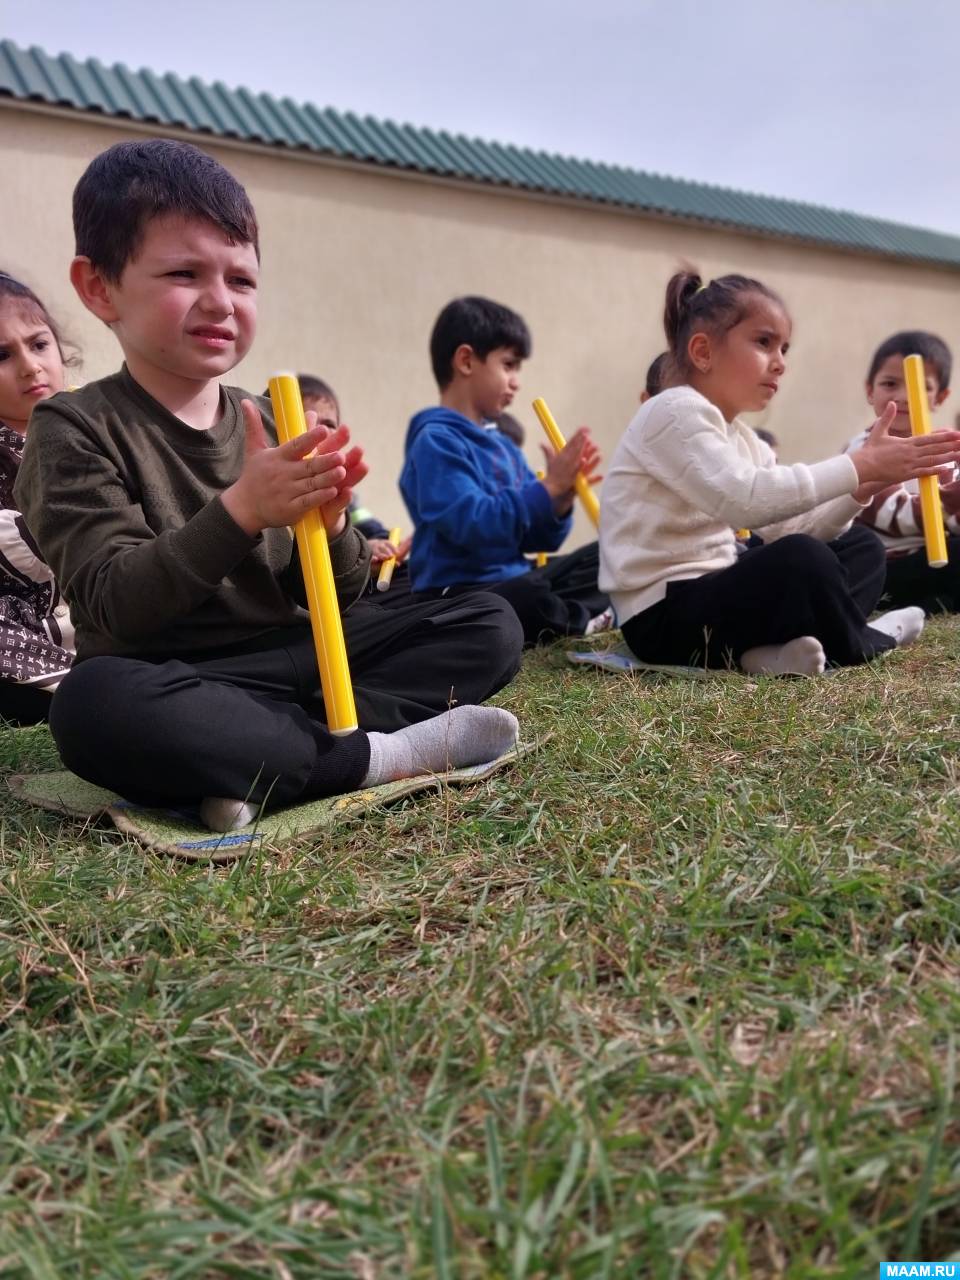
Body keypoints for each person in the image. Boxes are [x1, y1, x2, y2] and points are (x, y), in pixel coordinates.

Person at [16, 139, 523, 831]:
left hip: (302, 663)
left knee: (486, 620)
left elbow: (334, 598)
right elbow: (115, 604)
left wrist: (336, 525)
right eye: (184, 273)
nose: (220, 302)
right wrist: (242, 510)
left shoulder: (270, 415)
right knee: (91, 706)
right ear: (99, 285)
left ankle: (263, 759)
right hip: (179, 675)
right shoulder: (71, 426)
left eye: (243, 280)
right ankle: (367, 757)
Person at [598, 269, 960, 675]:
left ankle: (765, 656)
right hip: (662, 616)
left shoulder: (742, 436)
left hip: (716, 598)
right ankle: (866, 638)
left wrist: (864, 485)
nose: (781, 363)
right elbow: (747, 502)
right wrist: (858, 464)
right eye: (764, 342)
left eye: (784, 348)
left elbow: (793, 525)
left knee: (861, 548)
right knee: (802, 560)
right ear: (703, 352)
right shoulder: (673, 410)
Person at [399, 295, 611, 646]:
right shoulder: (436, 441)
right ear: (466, 361)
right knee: (521, 596)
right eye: (509, 365)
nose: (516, 382)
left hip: (517, 577)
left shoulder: (503, 446)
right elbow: (473, 525)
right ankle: (575, 621)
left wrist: (558, 501)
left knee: (606, 556)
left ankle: (565, 614)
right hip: (458, 590)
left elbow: (537, 539)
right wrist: (545, 489)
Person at [0, 272, 76, 725]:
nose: (30, 366)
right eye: (2, 355)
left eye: (39, 344)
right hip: (18, 634)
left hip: (105, 617)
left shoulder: (102, 425)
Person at [846, 331, 960, 615]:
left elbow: (953, 521)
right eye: (890, 383)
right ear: (870, 390)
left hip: (932, 559)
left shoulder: (941, 449)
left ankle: (937, 601)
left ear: (940, 397)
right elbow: (895, 515)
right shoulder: (865, 450)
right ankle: (927, 602)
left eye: (921, 387)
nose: (904, 396)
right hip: (884, 567)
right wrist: (952, 500)